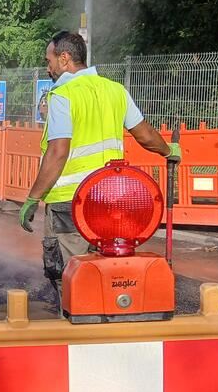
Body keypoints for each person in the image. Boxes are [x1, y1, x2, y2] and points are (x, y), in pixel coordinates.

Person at [19, 31, 179, 300]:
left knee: (71, 277)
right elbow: (145, 134)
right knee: (106, 272)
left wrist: (33, 198)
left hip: (70, 203)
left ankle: (74, 330)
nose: (48, 68)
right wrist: (169, 151)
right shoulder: (115, 90)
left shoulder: (63, 95)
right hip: (109, 201)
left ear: (65, 58)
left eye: (49, 61)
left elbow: (58, 152)